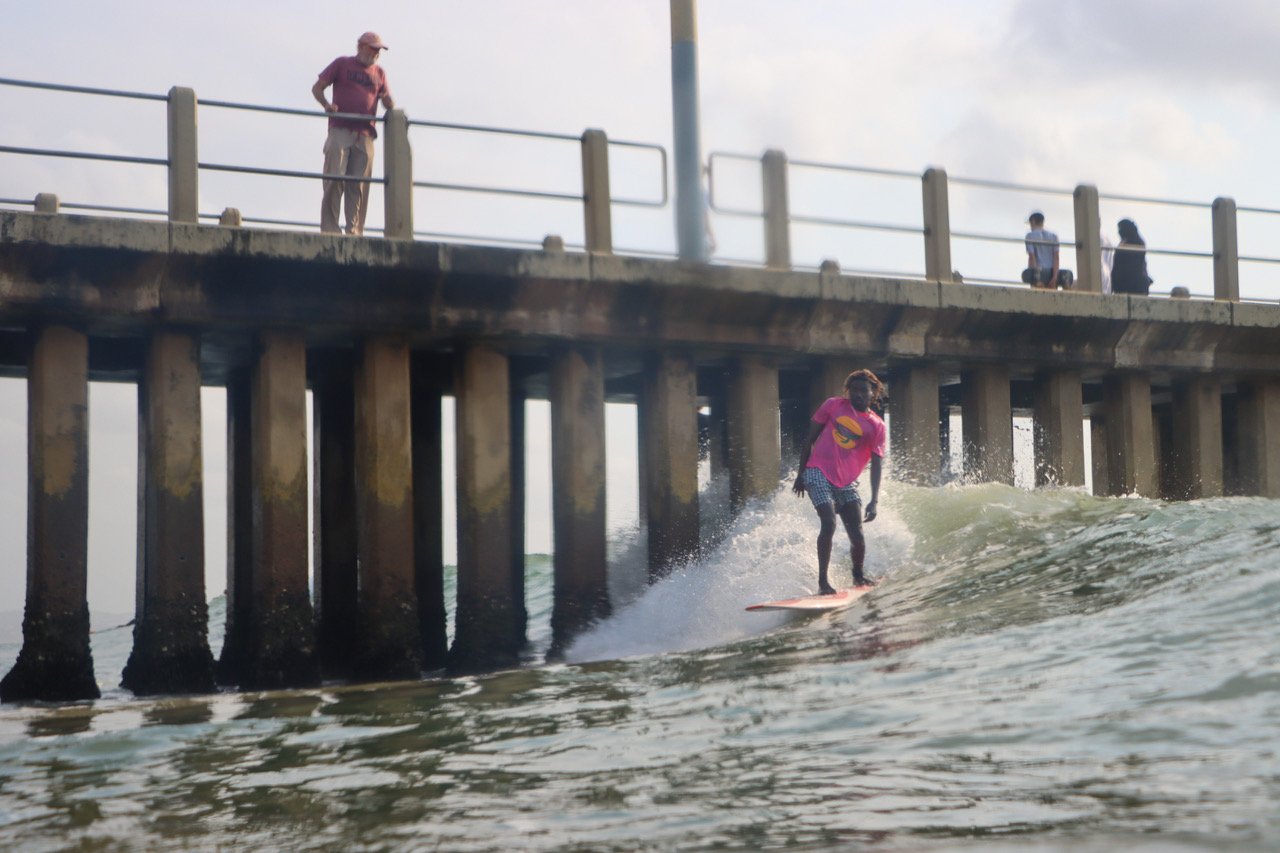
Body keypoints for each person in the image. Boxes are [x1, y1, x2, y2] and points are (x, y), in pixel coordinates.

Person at [792, 369, 887, 595]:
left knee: (858, 535)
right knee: (829, 523)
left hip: (846, 482)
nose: (858, 394)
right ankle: (823, 583)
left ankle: (858, 575)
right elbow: (809, 439)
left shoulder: (877, 426)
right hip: (817, 472)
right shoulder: (833, 405)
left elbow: (877, 464)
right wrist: (800, 474)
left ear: (873, 393)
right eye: (853, 390)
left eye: (863, 390)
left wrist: (874, 500)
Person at [312, 32, 396, 236]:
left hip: (365, 134)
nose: (376, 53)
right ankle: (330, 229)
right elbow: (317, 88)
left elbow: (388, 102)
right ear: (360, 46)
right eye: (372, 48)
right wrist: (326, 105)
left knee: (359, 185)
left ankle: (354, 230)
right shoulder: (342, 64)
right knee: (334, 179)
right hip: (340, 129)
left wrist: (388, 102)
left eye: (379, 50)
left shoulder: (380, 73)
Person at [1022, 211, 1074, 289]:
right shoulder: (1053, 236)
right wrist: (1055, 277)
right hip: (1052, 272)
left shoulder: (1030, 236)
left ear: (1032, 221)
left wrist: (1035, 277)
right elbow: (1056, 257)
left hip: (1039, 272)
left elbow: (1032, 257)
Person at [1111, 218, 1152, 295]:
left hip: (1133, 285)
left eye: (1121, 228)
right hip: (1124, 285)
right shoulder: (1125, 242)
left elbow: (1132, 266)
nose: (1119, 232)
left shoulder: (1136, 243)